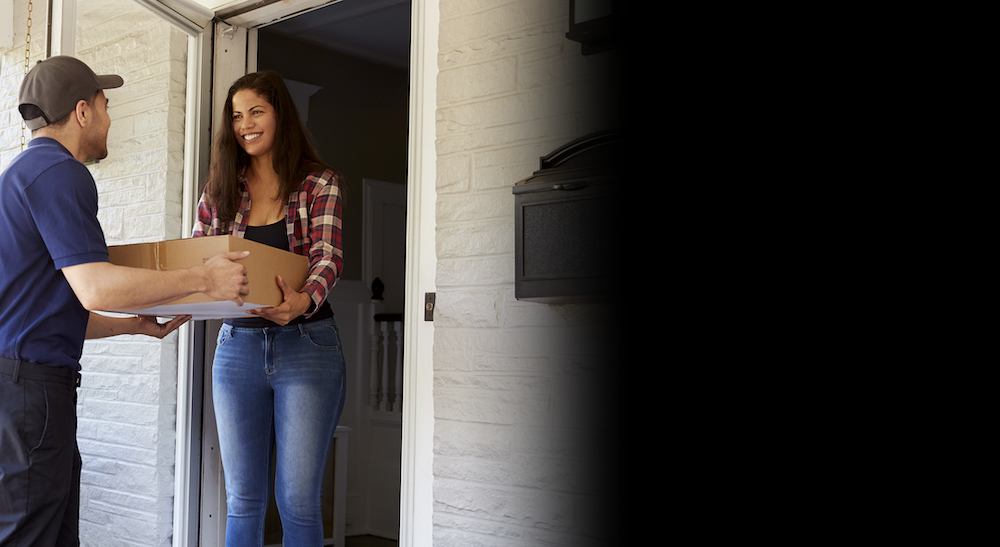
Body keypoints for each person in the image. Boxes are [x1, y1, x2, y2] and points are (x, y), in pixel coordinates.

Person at [0, 55, 251, 547]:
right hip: (31, 396)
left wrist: (132, 326)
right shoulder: (61, 174)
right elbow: (96, 286)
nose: (110, 118)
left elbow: (51, 310)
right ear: (82, 112)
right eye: (105, 104)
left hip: (17, 389)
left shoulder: (19, 176)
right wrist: (203, 278)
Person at [191, 70, 347, 547]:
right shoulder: (221, 189)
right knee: (242, 499)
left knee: (297, 501)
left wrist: (301, 301)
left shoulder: (319, 183)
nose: (245, 124)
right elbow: (197, 257)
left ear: (281, 115)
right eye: (236, 116)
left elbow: (328, 257)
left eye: (256, 111)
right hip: (236, 347)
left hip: (308, 345)